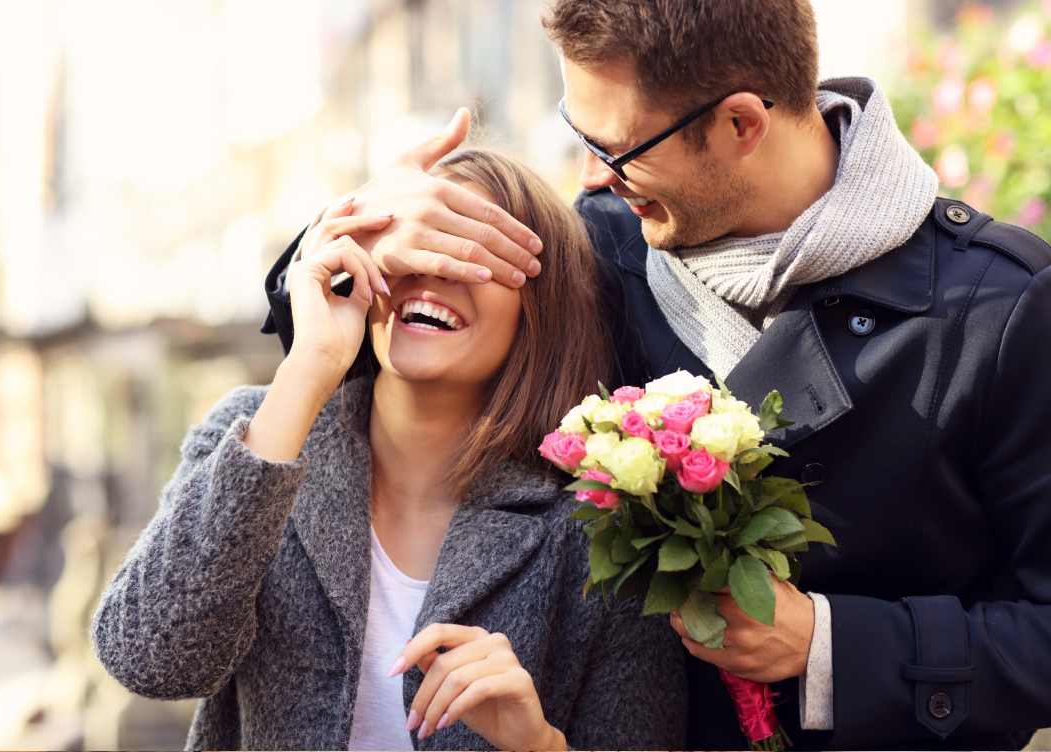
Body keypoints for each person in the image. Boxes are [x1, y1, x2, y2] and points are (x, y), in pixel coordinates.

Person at [261, 1, 1051, 749]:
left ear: (741, 121)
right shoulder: (590, 251)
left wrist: (827, 642)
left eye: (620, 149)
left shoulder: (1000, 306)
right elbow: (365, 335)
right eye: (581, 135)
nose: (593, 176)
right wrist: (366, 223)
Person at [91, 149, 687, 751]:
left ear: (540, 307)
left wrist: (537, 745)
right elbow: (150, 659)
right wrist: (311, 364)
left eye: (472, 250)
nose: (434, 269)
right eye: (415, 244)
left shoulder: (597, 525)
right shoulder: (258, 429)